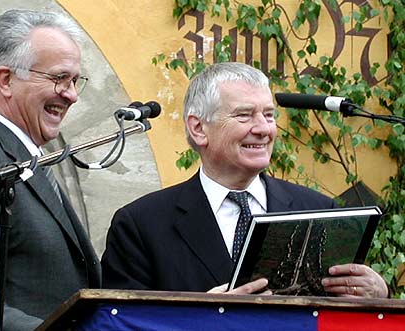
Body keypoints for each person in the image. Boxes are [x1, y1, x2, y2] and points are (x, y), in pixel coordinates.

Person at [101, 62, 388, 298]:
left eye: (268, 115)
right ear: (199, 128)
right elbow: (121, 323)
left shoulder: (319, 209)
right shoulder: (140, 225)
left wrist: (378, 295)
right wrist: (202, 317)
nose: (263, 129)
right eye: (244, 115)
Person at [0, 9, 100, 331]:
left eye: (74, 80)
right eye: (58, 78)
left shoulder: (21, 156)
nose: (72, 95)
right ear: (6, 80)